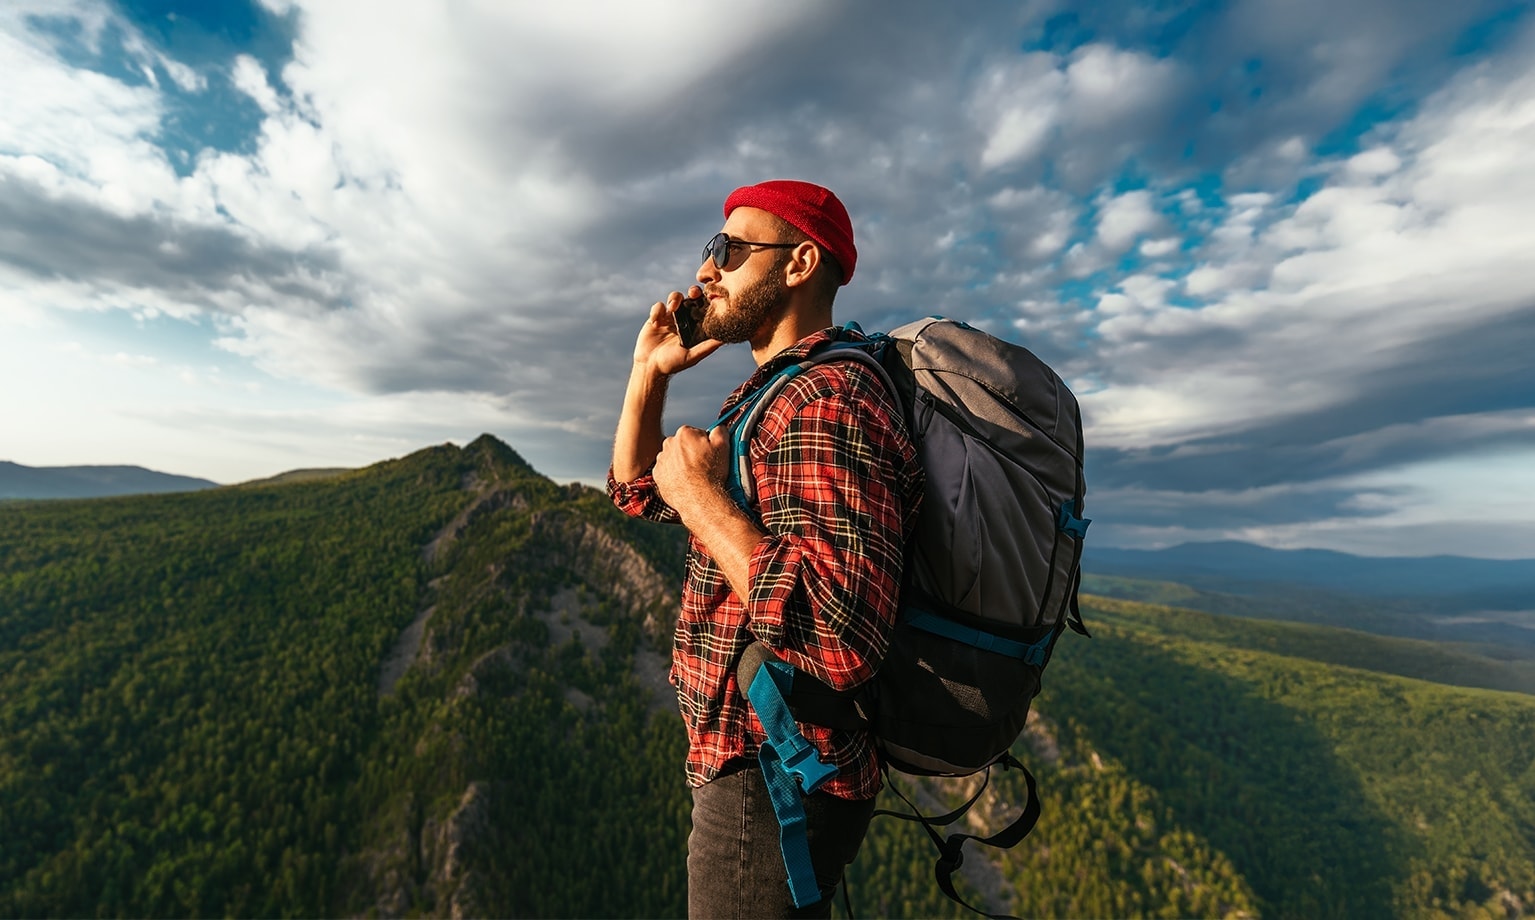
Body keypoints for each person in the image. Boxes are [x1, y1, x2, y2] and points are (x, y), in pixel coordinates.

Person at [608, 180, 924, 918]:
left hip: (774, 774)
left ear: (800, 263)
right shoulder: (775, 396)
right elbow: (637, 491)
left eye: (731, 249)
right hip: (763, 762)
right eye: (709, 250)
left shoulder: (825, 400)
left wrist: (702, 499)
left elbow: (842, 636)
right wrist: (646, 374)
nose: (706, 270)